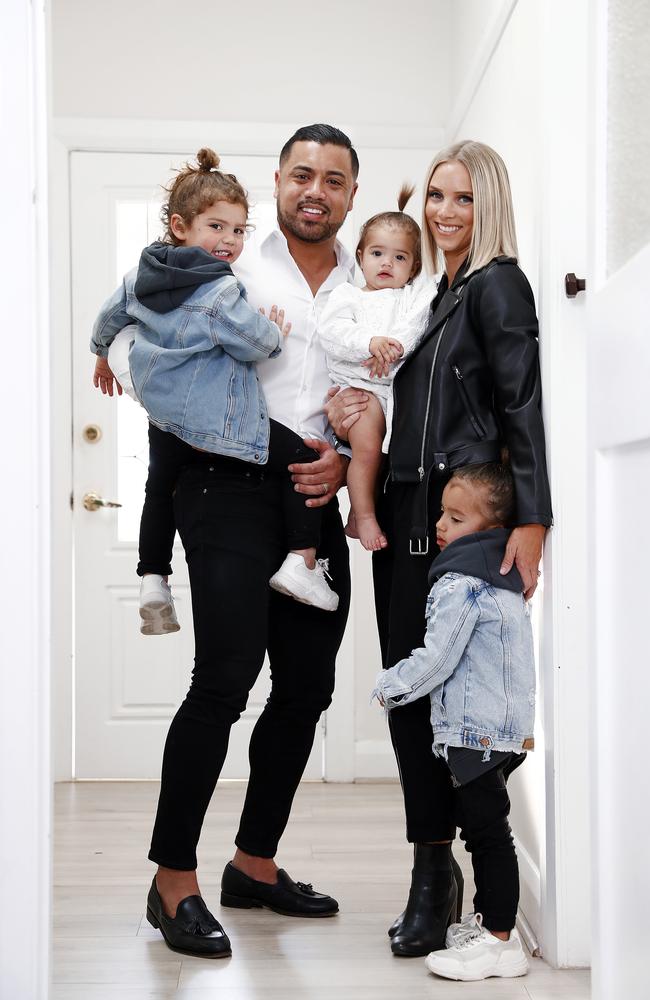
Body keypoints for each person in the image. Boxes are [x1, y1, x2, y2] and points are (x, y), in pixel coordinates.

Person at [108, 125, 358, 959]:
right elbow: (151, 359)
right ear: (278, 183)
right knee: (222, 685)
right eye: (300, 174)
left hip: (315, 503)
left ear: (352, 193)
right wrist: (108, 349)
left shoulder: (373, 278)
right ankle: (170, 880)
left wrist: (347, 463)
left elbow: (374, 390)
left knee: (306, 692)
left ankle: (254, 863)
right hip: (224, 491)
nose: (315, 188)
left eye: (333, 177)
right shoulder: (225, 263)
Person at [326, 139, 552, 958]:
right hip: (405, 516)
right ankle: (433, 868)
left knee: (464, 700)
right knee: (419, 703)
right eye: (435, 198)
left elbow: (521, 403)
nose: (444, 213)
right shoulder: (431, 293)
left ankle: (454, 867)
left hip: (460, 522)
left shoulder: (498, 285)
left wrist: (532, 520)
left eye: (460, 199)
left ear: (486, 204)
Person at [91, 148, 339, 625]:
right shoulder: (220, 289)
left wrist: (102, 353)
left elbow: (108, 317)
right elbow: (252, 344)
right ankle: (301, 562)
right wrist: (275, 335)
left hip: (165, 420)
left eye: (238, 230)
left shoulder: (139, 275)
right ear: (181, 226)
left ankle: (153, 578)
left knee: (158, 488)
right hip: (216, 422)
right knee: (305, 456)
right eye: (216, 227)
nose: (228, 241)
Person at [373, 464, 533, 982]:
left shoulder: (460, 583)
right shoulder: (499, 577)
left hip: (474, 732)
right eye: (443, 512)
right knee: (486, 830)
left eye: (456, 517)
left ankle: (498, 939)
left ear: (488, 530)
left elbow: (438, 658)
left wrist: (390, 686)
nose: (440, 524)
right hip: (499, 728)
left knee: (489, 835)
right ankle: (492, 928)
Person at [318, 188, 437, 551]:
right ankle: (362, 513)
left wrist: (394, 346)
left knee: (386, 458)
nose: (386, 263)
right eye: (377, 253)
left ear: (413, 267)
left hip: (394, 392)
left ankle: (362, 511)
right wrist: (369, 343)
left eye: (399, 257)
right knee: (368, 449)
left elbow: (418, 324)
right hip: (360, 389)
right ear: (360, 256)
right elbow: (332, 332)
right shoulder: (347, 296)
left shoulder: (412, 295)